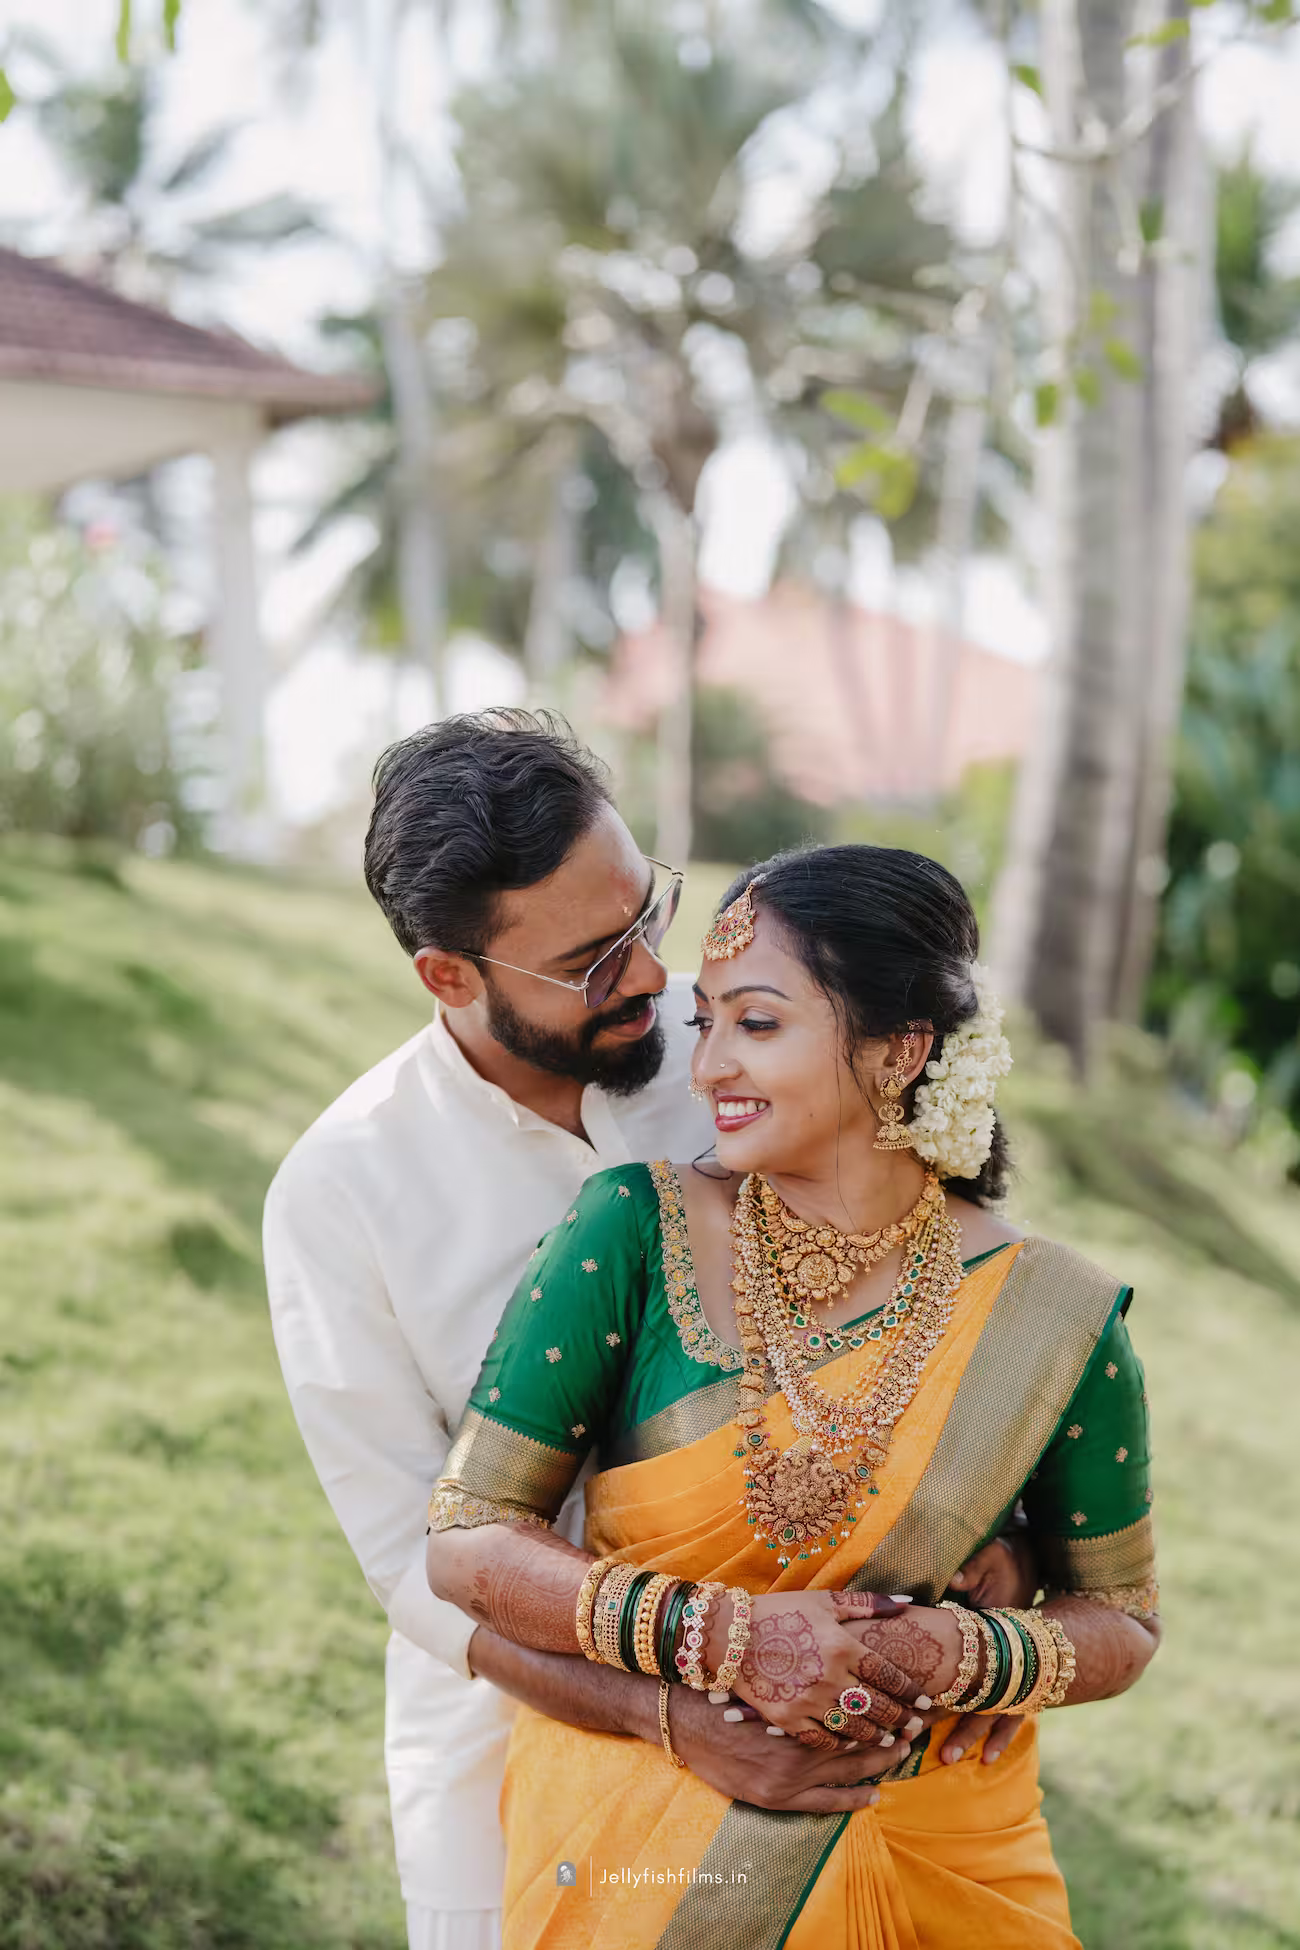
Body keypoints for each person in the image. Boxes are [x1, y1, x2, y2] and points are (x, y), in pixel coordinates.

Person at [264, 717, 1024, 1950]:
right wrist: (669, 1711)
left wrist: (1013, 1540)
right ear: (450, 977)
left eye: (647, 913)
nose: (650, 980)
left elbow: (948, 1280)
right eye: (590, 959)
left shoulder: (754, 1043)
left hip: (843, 1718)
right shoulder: (342, 1195)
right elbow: (414, 1565)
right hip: (515, 1753)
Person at [426, 844, 1161, 1950]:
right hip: (649, 1843)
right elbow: (469, 1542)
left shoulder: (1054, 1318)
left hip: (941, 1854)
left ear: (899, 1050)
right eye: (705, 1022)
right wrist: (717, 1634)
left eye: (756, 1024)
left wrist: (962, 1656)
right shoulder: (631, 1226)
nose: (708, 1066)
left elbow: (1123, 1620)